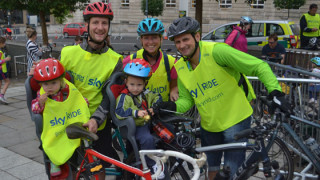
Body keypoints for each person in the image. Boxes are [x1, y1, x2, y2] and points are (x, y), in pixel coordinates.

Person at [156, 17, 291, 179]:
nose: (182, 45)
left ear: (197, 37)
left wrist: (275, 92)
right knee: (211, 172)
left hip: (236, 119)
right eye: (177, 42)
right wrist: (170, 107)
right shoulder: (180, 67)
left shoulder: (217, 51)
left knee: (231, 172)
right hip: (209, 124)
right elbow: (186, 101)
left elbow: (258, 66)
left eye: (186, 39)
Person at [60, 2, 123, 178]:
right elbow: (56, 85)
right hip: (69, 120)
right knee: (70, 167)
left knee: (98, 169)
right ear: (87, 25)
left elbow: (109, 97)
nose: (100, 27)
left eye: (104, 23)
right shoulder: (67, 53)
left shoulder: (115, 60)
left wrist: (96, 119)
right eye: (95, 22)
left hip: (98, 124)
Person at [31, 58, 90, 177]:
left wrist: (83, 103)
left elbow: (77, 101)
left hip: (69, 122)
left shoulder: (68, 89)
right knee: (51, 144)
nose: (49, 87)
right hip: (55, 127)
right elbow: (34, 109)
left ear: (61, 81)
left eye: (54, 83)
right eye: (46, 84)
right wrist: (40, 103)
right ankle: (54, 161)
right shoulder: (41, 94)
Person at [115, 58, 165, 179]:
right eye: (132, 84)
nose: (136, 88)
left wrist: (154, 107)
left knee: (166, 131)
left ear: (145, 84)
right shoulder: (124, 97)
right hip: (134, 126)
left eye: (139, 85)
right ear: (126, 82)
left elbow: (157, 97)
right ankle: (153, 165)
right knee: (147, 139)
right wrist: (135, 113)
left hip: (146, 122)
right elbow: (119, 112)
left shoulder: (145, 93)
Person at [123, 18, 179, 102]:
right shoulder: (130, 60)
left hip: (162, 111)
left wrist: (174, 90)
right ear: (141, 40)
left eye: (154, 37)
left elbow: (174, 85)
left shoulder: (171, 62)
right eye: (146, 38)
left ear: (161, 39)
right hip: (138, 112)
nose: (150, 42)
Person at [0, 37, 11, 104]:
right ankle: (2, 95)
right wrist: (6, 59)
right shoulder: (0, 52)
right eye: (4, 43)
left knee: (0, 83)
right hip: (1, 70)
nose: (5, 44)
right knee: (7, 81)